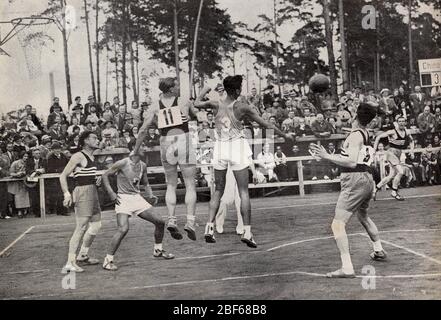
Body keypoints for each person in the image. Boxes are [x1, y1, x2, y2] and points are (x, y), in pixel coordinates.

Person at [195, 75, 294, 248]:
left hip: (220, 147)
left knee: (218, 190)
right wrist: (285, 135)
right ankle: (247, 232)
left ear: (225, 89)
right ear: (238, 90)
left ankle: (209, 227)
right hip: (236, 147)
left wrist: (204, 90)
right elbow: (266, 124)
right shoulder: (242, 106)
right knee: (243, 191)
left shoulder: (215, 103)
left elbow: (196, 104)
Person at [310, 103, 387, 278]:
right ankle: (378, 249)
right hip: (366, 178)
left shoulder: (354, 136)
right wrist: (328, 156)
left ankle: (347, 267)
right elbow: (354, 159)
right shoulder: (365, 133)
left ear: (355, 116)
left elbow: (351, 162)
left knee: (337, 224)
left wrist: (327, 156)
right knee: (363, 216)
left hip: (354, 180)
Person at [134, 77, 198, 241]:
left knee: (171, 183)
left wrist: (135, 149)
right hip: (182, 139)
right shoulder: (183, 101)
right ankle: (190, 221)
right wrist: (190, 113)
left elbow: (143, 130)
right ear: (170, 89)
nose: (178, 88)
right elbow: (194, 116)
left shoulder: (155, 106)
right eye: (176, 86)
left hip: (166, 142)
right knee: (190, 183)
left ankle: (172, 219)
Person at [101, 151, 175, 271]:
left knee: (160, 222)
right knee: (123, 229)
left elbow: (145, 183)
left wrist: (150, 194)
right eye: (141, 147)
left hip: (137, 198)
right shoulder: (122, 163)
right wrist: (111, 192)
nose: (144, 148)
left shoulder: (143, 165)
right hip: (123, 198)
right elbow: (105, 175)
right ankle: (108, 260)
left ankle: (158, 250)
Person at [59, 131, 102, 273]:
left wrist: (96, 179)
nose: (97, 140)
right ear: (85, 141)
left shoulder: (92, 156)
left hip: (92, 191)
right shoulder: (78, 156)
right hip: (83, 193)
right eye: (94, 138)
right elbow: (63, 176)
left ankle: (83, 255)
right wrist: (66, 194)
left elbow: (86, 174)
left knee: (96, 225)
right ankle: (69, 263)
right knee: (81, 227)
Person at [373, 116, 414, 201]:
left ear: (405, 122)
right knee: (401, 171)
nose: (402, 123)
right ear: (397, 123)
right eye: (400, 121)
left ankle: (375, 189)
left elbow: (411, 141)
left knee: (391, 175)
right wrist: (374, 149)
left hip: (398, 154)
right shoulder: (393, 131)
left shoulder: (407, 131)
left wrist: (412, 151)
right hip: (391, 153)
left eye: (403, 121)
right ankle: (394, 192)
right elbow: (378, 137)